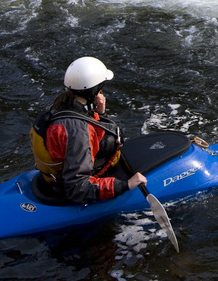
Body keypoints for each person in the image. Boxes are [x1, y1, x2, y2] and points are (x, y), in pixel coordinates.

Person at [30, 56, 146, 204]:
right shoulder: (78, 131)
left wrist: (99, 114)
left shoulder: (62, 105)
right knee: (109, 140)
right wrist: (125, 185)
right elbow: (77, 187)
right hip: (71, 187)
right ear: (93, 90)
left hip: (59, 175)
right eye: (100, 88)